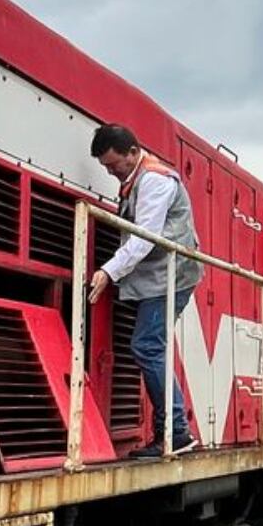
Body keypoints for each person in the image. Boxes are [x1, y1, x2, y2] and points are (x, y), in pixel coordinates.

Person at [87, 123, 205, 458]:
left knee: (147, 345)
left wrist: (108, 271)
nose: (111, 172)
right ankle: (173, 430)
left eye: (114, 165)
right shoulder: (135, 180)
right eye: (106, 167)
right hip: (157, 276)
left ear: (133, 153)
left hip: (172, 275)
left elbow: (145, 237)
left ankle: (176, 433)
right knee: (149, 345)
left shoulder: (153, 180)